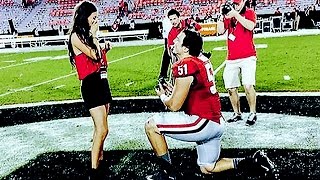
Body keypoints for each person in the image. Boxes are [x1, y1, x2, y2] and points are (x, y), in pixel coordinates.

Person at [145, 30, 275, 180]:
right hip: (216, 122)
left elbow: (174, 105)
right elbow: (192, 91)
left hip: (203, 122)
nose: (173, 40)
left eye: (178, 39)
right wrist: (173, 93)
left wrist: (163, 96)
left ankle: (167, 174)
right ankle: (254, 161)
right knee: (208, 167)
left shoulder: (185, 64)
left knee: (151, 126)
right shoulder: (200, 59)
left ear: (186, 48)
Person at [67, 1, 112, 178]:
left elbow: (98, 56)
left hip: (101, 82)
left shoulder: (87, 34)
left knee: (101, 128)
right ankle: (93, 170)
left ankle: (100, 159)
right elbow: (93, 55)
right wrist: (95, 37)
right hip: (91, 84)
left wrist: (104, 47)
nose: (96, 21)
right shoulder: (76, 36)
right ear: (84, 17)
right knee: (102, 129)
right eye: (93, 18)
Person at [217, 0, 258, 126]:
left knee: (248, 85)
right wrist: (220, 16)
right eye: (234, 3)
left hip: (248, 56)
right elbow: (220, 31)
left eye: (238, 3)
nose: (235, 5)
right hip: (232, 58)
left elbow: (250, 26)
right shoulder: (229, 15)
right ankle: (237, 113)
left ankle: (252, 113)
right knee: (230, 87)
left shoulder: (249, 12)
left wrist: (235, 14)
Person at [158, 11, 172, 80]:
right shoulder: (166, 21)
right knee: (168, 55)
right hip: (169, 39)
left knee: (167, 56)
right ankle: (163, 74)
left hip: (170, 38)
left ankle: (163, 74)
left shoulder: (165, 20)